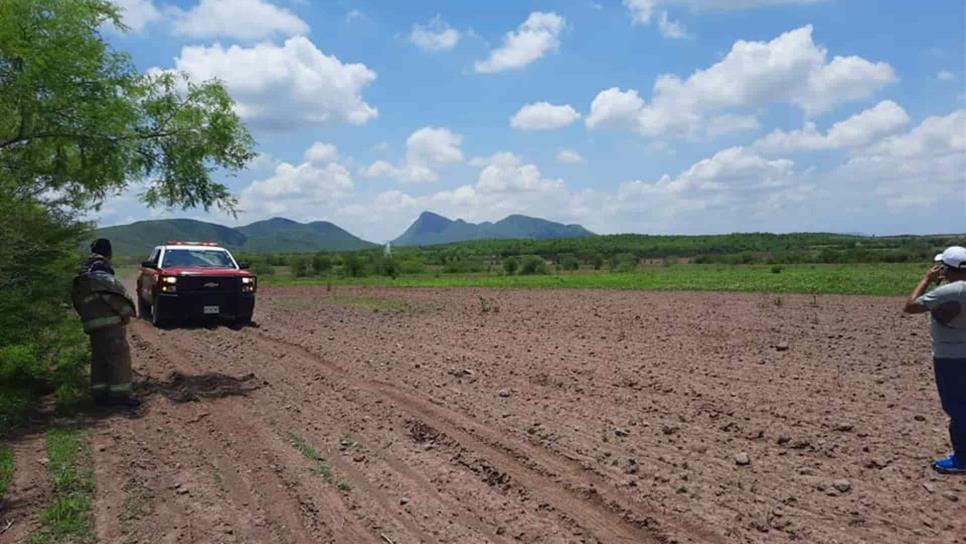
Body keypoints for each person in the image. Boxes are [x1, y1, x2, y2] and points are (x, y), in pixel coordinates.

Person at [904, 245, 966, 474]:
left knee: (957, 407)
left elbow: (910, 306)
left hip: (951, 357)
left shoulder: (947, 292)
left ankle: (962, 459)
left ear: (947, 269)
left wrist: (927, 280)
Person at [71, 238, 140, 408]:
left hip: (92, 324)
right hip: (109, 324)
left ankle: (100, 395)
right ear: (109, 252)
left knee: (99, 358)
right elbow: (112, 295)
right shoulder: (102, 271)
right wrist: (125, 313)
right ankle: (121, 396)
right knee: (118, 357)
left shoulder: (84, 272)